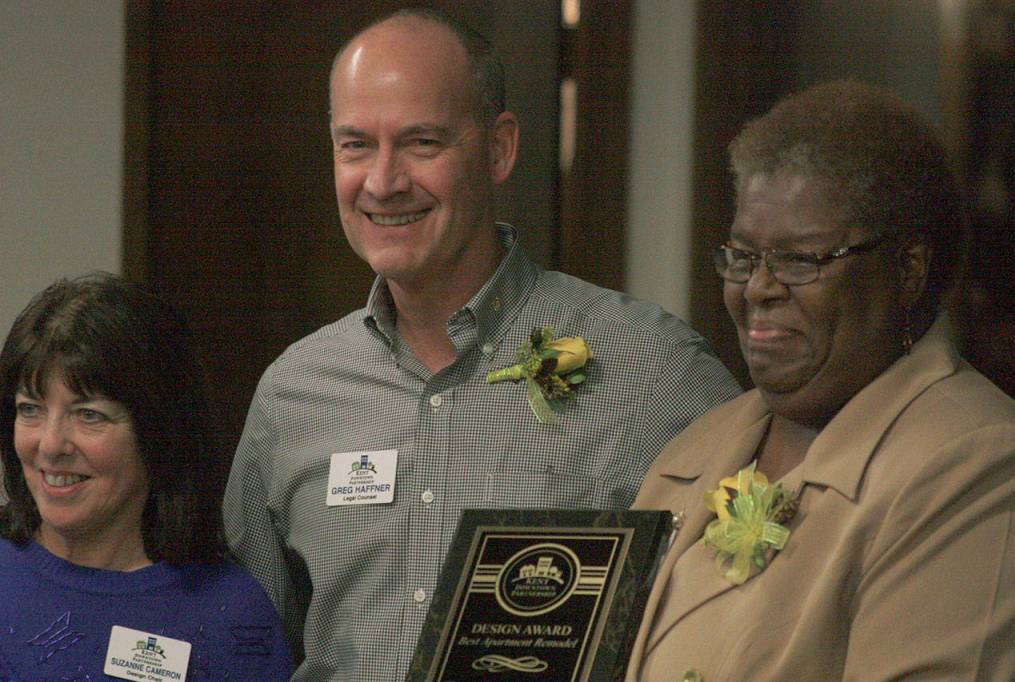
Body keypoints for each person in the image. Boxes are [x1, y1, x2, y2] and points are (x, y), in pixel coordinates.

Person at [223, 8, 740, 681]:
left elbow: (749, 611)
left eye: (421, 143)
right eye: (355, 145)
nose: (383, 181)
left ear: (498, 149)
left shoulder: (652, 369)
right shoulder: (294, 395)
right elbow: (245, 647)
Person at [627, 80, 1015, 681]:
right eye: (742, 255)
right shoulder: (700, 444)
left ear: (907, 271)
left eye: (799, 259)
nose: (758, 288)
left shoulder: (979, 463)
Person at [0, 273, 294, 680]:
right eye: (30, 409)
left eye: (89, 415)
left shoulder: (231, 615)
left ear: (159, 432)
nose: (50, 445)